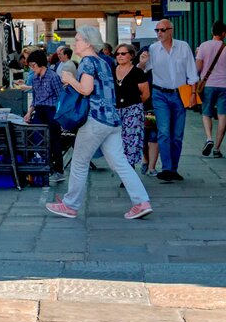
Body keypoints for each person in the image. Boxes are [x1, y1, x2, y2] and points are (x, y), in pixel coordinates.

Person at [47, 26, 153, 220]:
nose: (75, 43)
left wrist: (70, 79)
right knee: (120, 163)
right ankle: (141, 202)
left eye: (78, 39)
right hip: (112, 120)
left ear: (87, 42)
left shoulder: (87, 62)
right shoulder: (104, 62)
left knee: (79, 162)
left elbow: (86, 90)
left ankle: (70, 205)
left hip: (95, 119)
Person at [148, 19, 199, 181]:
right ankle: (167, 169)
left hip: (180, 93)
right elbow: (144, 68)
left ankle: (174, 168)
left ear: (171, 30)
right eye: (157, 30)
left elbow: (192, 71)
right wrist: (141, 62)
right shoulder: (153, 49)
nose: (159, 33)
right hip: (160, 94)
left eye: (163, 30)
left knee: (177, 134)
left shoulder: (183, 46)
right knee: (163, 131)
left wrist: (193, 93)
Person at [23, 48, 66, 181]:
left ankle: (58, 171)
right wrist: (29, 113)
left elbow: (61, 97)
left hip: (52, 111)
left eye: (33, 65)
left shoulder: (53, 77)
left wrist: (60, 116)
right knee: (35, 138)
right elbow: (35, 99)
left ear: (40, 63)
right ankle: (44, 166)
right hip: (40, 110)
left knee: (54, 141)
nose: (32, 68)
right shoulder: (35, 79)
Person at [113, 44, 150, 172]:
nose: (120, 56)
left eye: (123, 53)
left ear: (131, 56)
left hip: (133, 109)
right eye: (117, 54)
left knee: (131, 139)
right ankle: (121, 166)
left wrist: (135, 105)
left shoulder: (137, 72)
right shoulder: (112, 70)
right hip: (116, 109)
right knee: (117, 140)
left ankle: (130, 168)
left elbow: (145, 94)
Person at [195, 21, 226, 158]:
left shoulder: (204, 46)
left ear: (212, 32)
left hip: (207, 85)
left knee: (206, 113)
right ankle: (217, 149)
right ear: (224, 34)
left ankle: (209, 138)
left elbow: (198, 67)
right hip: (224, 85)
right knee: (222, 115)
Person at [138, 47, 160, 175]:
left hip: (152, 108)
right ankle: (146, 159)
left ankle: (152, 166)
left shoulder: (156, 70)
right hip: (140, 108)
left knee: (153, 137)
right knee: (143, 138)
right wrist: (141, 64)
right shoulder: (138, 69)